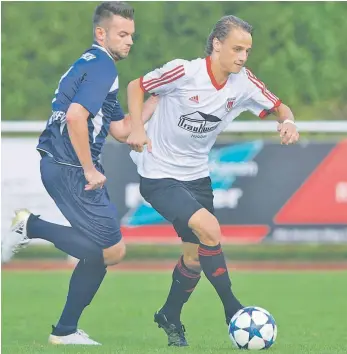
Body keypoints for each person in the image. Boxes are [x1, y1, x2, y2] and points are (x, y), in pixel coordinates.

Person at [126, 15, 299, 347]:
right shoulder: (184, 72)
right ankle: (232, 309)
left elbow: (279, 106)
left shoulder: (244, 82)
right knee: (210, 230)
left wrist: (288, 121)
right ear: (217, 44)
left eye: (247, 50)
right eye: (237, 48)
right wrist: (136, 126)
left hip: (196, 176)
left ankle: (169, 315)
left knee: (194, 256)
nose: (242, 57)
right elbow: (137, 86)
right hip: (159, 173)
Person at [1, 1, 158, 345]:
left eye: (132, 34)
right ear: (101, 33)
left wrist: (156, 100)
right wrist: (89, 169)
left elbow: (121, 130)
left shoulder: (90, 64)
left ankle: (65, 330)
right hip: (72, 168)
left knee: (99, 251)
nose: (130, 40)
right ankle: (30, 225)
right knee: (111, 251)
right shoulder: (103, 65)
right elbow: (75, 116)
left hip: (57, 163)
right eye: (122, 33)